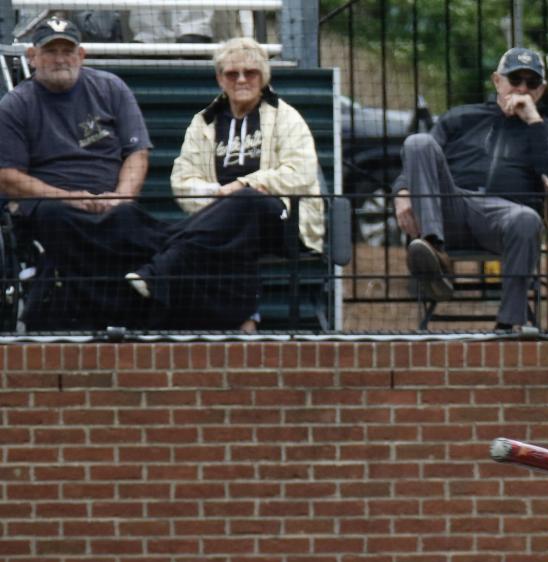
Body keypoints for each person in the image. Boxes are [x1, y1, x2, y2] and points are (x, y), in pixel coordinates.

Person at [125, 37, 325, 330]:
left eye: (250, 72)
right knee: (229, 226)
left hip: (284, 220)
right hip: (225, 221)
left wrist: (243, 185)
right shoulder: (203, 122)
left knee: (247, 201)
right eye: (232, 73)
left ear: (264, 77)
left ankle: (162, 266)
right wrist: (220, 199)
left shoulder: (287, 118)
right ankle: (243, 322)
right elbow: (182, 181)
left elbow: (299, 173)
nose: (241, 79)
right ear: (220, 78)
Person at [393, 46, 548, 333]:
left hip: (507, 218)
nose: (523, 89)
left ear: (542, 89)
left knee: (526, 219)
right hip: (452, 206)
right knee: (417, 142)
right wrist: (402, 192)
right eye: (515, 80)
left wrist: (534, 123)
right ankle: (433, 250)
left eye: (532, 83)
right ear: (497, 81)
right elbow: (417, 161)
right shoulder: (461, 117)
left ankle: (509, 324)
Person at [0, 17, 162, 329]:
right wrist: (69, 198)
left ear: (82, 55)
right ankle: (107, 314)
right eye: (50, 51)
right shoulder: (15, 104)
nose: (60, 58)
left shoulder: (112, 88)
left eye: (67, 50)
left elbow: (137, 154)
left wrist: (120, 196)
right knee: (58, 218)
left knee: (128, 217)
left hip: (110, 204)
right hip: (51, 207)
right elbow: (7, 176)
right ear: (33, 57)